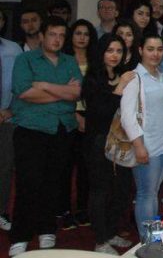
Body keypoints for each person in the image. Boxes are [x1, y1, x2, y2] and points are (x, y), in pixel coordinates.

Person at [8, 16, 82, 257]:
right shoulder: (25, 59)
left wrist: (45, 86)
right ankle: (20, 234)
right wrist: (62, 91)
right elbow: (24, 92)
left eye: (61, 35)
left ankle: (46, 229)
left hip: (62, 129)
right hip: (32, 129)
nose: (57, 40)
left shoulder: (69, 61)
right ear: (42, 36)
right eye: (52, 34)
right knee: (29, 183)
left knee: (54, 182)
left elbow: (76, 93)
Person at [121, 35, 163, 236]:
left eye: (159, 49)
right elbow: (127, 116)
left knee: (154, 193)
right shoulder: (134, 78)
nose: (155, 54)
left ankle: (153, 238)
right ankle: (147, 241)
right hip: (146, 144)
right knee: (146, 194)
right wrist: (138, 145)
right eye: (150, 49)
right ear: (140, 50)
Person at [82, 36, 135, 254]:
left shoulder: (124, 74)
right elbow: (101, 112)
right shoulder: (93, 78)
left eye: (119, 51)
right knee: (100, 190)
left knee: (122, 190)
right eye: (110, 50)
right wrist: (121, 86)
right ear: (101, 52)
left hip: (122, 141)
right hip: (98, 141)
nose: (115, 55)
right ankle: (101, 239)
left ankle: (111, 230)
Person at [61, 19, 99, 229]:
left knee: (87, 167)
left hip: (91, 117)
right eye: (78, 33)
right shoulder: (63, 60)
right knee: (65, 165)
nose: (82, 38)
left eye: (86, 34)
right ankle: (65, 210)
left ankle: (84, 208)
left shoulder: (96, 60)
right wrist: (76, 115)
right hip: (67, 115)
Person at [0, 10, 22, 233]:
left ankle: (1, 211)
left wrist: (10, 109)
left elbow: (21, 83)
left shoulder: (14, 49)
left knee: (5, 167)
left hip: (6, 116)